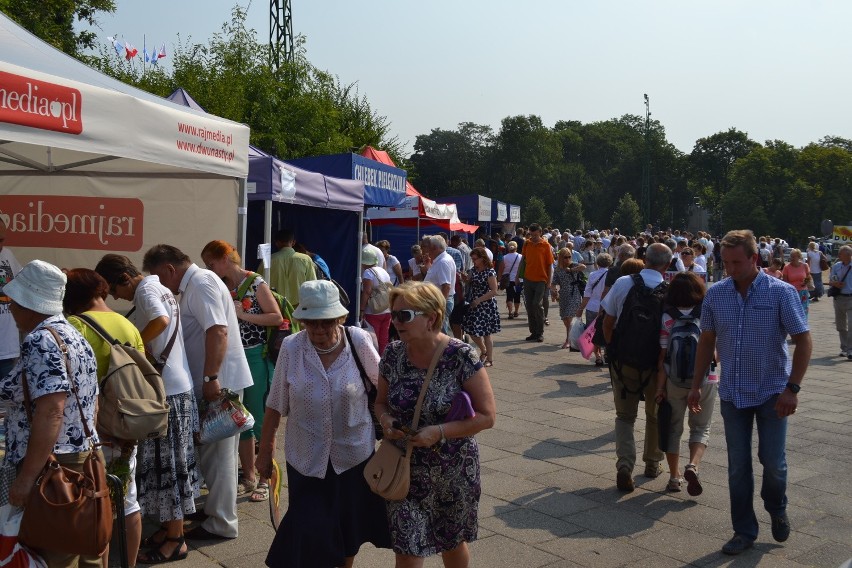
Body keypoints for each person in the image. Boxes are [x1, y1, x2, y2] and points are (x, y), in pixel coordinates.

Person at [689, 230, 811, 555]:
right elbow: (706, 341)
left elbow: (804, 341)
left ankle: (776, 505)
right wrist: (695, 384)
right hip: (733, 393)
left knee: (773, 462)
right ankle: (743, 530)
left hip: (773, 391)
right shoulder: (716, 295)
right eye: (725, 262)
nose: (730, 269)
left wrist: (793, 389)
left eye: (737, 262)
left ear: (754, 259)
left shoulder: (780, 293)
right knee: (737, 466)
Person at [255, 280, 391, 568]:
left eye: (325, 322)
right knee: (308, 530)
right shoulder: (292, 347)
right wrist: (265, 450)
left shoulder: (358, 340)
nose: (318, 331)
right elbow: (276, 402)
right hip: (306, 458)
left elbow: (384, 388)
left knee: (347, 531)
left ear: (340, 318)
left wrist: (392, 427)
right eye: (310, 323)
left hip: (354, 457)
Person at [374, 281, 496, 567]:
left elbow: (487, 416)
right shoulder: (392, 354)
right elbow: (379, 402)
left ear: (432, 317)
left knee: (451, 544)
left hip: (452, 469)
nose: (395, 322)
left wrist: (439, 432)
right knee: (407, 549)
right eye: (394, 314)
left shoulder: (461, 355)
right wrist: (386, 420)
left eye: (404, 315)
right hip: (404, 468)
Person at [95, 253, 202, 563]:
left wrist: (134, 349)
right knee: (167, 464)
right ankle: (170, 529)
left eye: (115, 290)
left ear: (125, 279)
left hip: (166, 391)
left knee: (169, 467)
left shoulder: (145, 290)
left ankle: (176, 539)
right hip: (175, 387)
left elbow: (161, 320)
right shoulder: (160, 287)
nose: (116, 297)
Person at [142, 244, 253, 541]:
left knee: (220, 457)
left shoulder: (201, 282)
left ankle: (221, 522)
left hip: (218, 381)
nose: (161, 287)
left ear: (169, 269)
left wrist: (210, 377)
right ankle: (216, 511)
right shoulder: (198, 283)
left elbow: (218, 330)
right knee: (213, 455)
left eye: (159, 278)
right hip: (212, 379)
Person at [0, 260, 102, 567]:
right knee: (72, 545)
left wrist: (27, 477)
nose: (11, 310)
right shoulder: (71, 334)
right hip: (77, 455)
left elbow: (51, 409)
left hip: (51, 463)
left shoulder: (40, 340)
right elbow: (90, 401)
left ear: (31, 304)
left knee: (51, 553)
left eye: (13, 302)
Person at [62, 269, 146, 566]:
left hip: (97, 428)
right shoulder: (128, 324)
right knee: (128, 500)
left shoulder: (74, 325)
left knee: (98, 502)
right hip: (128, 424)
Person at [201, 240, 284, 504]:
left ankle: (265, 477)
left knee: (259, 419)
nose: (209, 269)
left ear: (225, 259)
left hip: (255, 357)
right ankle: (249, 476)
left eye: (211, 263)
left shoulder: (256, 283)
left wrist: (243, 315)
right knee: (241, 420)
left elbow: (276, 317)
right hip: (234, 358)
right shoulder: (224, 286)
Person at [601, 243, 673, 492]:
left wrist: (612, 349)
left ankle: (624, 466)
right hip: (655, 364)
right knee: (654, 414)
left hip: (624, 361)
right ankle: (652, 463)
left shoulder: (623, 283)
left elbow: (607, 321)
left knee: (624, 416)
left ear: (644, 258)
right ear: (668, 264)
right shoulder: (669, 291)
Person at [653, 272, 716, 496]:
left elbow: (663, 357)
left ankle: (674, 477)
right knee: (700, 427)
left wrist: (660, 388)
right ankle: (693, 465)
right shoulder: (707, 312)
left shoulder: (667, 316)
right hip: (706, 379)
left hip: (674, 379)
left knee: (673, 428)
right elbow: (715, 354)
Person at [462, 247, 501, 366]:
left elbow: (494, 291)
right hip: (474, 305)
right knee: (472, 332)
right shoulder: (473, 270)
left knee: (486, 334)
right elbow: (469, 282)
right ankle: (483, 350)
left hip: (486, 306)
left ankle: (490, 359)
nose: (473, 261)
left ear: (482, 258)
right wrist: (465, 279)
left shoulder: (490, 271)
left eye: (475, 259)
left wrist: (479, 300)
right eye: (472, 259)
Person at [576, 253, 612, 366]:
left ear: (597, 263)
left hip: (592, 306)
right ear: (610, 263)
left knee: (594, 333)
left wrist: (581, 308)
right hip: (607, 308)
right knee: (608, 331)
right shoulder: (612, 275)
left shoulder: (593, 275)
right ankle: (607, 353)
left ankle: (598, 356)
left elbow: (587, 294)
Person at [521, 223, 555, 342]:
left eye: (535, 235)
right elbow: (523, 260)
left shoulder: (546, 245)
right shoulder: (527, 243)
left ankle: (540, 332)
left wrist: (549, 281)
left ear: (540, 233)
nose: (533, 237)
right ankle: (533, 332)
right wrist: (517, 276)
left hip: (541, 279)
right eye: (531, 235)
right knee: (529, 306)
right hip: (528, 279)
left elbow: (550, 264)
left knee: (537, 304)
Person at [268, 229, 316, 306]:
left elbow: (261, 283)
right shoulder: (305, 259)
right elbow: (313, 285)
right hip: (300, 307)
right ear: (293, 242)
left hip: (277, 306)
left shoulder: (269, 260)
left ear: (277, 243)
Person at [0, 216, 22, 380]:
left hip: (7, 348)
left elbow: (24, 281)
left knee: (6, 404)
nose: (1, 246)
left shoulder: (7, 254)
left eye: (2, 240)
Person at [551, 248, 586, 350]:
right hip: (563, 295)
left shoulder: (574, 265)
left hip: (574, 293)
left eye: (569, 256)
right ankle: (574, 336)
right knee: (565, 319)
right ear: (561, 258)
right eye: (565, 257)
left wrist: (571, 270)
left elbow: (583, 267)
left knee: (569, 316)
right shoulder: (558, 269)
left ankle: (568, 340)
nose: (568, 259)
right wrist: (553, 291)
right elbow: (553, 282)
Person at [360, 248, 393, 355]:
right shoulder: (383, 270)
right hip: (386, 309)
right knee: (384, 338)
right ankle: (384, 360)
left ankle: (375, 362)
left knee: (374, 339)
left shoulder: (367, 273)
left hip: (373, 311)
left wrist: (361, 309)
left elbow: (367, 292)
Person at [422, 235, 457, 335]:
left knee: (439, 332)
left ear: (434, 248)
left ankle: (443, 350)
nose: (427, 250)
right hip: (439, 300)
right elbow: (436, 279)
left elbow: (446, 286)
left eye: (428, 247)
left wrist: (440, 305)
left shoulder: (443, 262)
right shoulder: (441, 260)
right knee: (437, 329)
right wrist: (428, 265)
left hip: (440, 301)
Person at [828, 245, 852, 360]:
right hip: (839, 298)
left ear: (848, 255)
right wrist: (835, 283)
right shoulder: (836, 266)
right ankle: (844, 348)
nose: (838, 256)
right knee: (841, 325)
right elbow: (831, 280)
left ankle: (850, 349)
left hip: (851, 298)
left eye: (840, 254)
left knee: (851, 325)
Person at [782, 248, 811, 317]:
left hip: (803, 292)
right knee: (793, 313)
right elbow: (785, 282)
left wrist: (805, 282)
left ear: (799, 257)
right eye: (791, 256)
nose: (791, 258)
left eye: (793, 256)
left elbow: (808, 277)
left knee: (804, 311)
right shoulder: (787, 267)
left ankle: (804, 326)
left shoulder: (805, 266)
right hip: (792, 292)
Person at [500, 241, 523, 319]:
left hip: (508, 280)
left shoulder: (505, 257)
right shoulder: (520, 257)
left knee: (509, 295)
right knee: (517, 295)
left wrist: (499, 279)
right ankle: (516, 311)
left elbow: (501, 269)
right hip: (518, 280)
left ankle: (510, 312)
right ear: (516, 247)